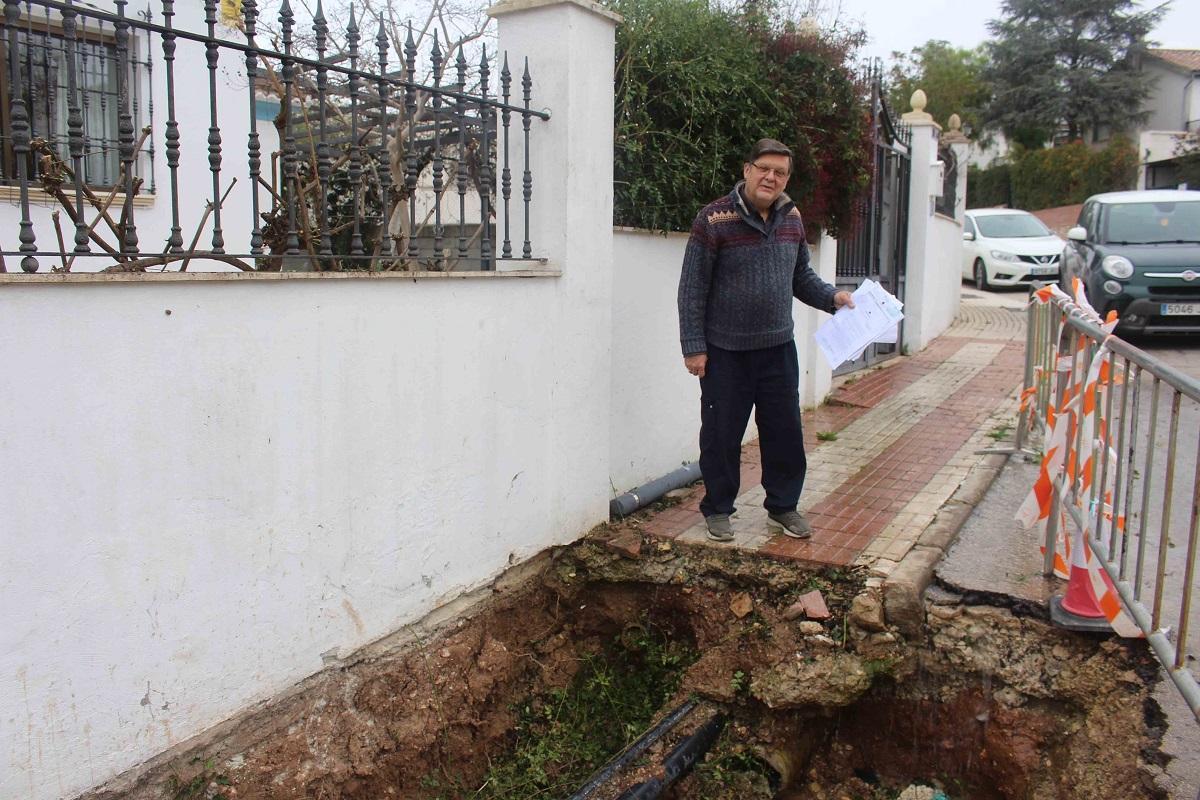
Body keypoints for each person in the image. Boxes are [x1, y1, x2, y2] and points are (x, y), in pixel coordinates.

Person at [677, 138, 854, 542]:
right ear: (747, 170)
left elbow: (800, 278)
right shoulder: (713, 219)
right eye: (764, 168)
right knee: (721, 436)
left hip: (778, 350)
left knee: (785, 432)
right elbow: (692, 289)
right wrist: (694, 346)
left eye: (780, 172)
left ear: (787, 178)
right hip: (725, 353)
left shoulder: (792, 219)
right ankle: (718, 509)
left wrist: (832, 298)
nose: (770, 177)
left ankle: (783, 508)